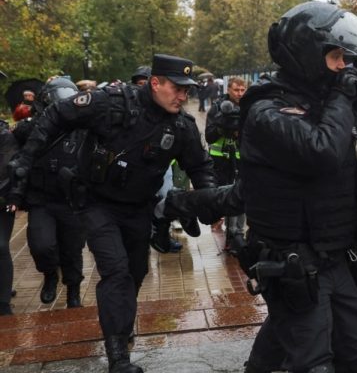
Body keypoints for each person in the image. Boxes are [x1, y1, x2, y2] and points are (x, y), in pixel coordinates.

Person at [8, 54, 216, 373]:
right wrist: (24, 162)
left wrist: (209, 203)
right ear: (155, 83)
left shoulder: (181, 126)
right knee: (115, 270)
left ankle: (121, 320)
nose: (183, 96)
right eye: (177, 88)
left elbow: (200, 167)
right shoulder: (111, 103)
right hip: (95, 202)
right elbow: (56, 115)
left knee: (135, 272)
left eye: (187, 91)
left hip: (138, 208)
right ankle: (118, 354)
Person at [237, 1, 357, 372]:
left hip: (333, 250)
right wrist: (342, 96)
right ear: (307, 54)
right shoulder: (266, 109)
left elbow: (342, 157)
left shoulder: (321, 102)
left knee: (354, 347)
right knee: (312, 357)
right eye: (336, 57)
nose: (343, 67)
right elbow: (319, 152)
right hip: (294, 256)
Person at [13, 77, 87, 308]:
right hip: (41, 199)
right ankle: (49, 275)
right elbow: (18, 154)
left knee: (72, 249)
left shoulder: (83, 129)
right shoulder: (31, 129)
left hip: (71, 200)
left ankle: (73, 290)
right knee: (41, 245)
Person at [205, 77, 247, 254]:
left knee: (243, 195)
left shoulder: (249, 106)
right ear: (228, 89)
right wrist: (222, 127)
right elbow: (209, 136)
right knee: (228, 195)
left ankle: (239, 234)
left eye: (242, 90)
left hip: (242, 160)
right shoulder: (217, 108)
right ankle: (230, 235)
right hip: (221, 160)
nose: (239, 94)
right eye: (236, 90)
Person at [0, 118, 18, 315]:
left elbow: (7, 169)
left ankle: (3, 302)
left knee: (1, 246)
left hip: (2, 199)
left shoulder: (4, 136)